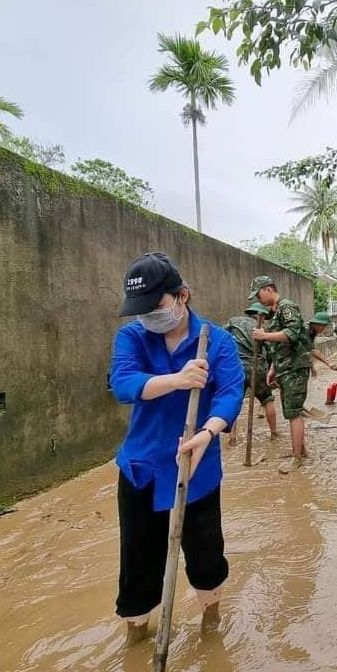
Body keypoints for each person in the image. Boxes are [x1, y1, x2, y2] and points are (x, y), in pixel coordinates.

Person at [108, 252, 245, 645]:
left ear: (182, 295)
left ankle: (211, 622)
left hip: (195, 464)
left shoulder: (215, 340)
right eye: (141, 309)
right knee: (137, 563)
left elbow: (231, 392)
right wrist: (178, 379)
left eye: (157, 305)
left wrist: (209, 431)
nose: (149, 315)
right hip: (142, 469)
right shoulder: (131, 337)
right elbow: (125, 385)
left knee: (205, 555)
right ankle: (136, 637)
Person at [249, 276, 326, 468]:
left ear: (268, 289)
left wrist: (264, 335)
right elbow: (279, 346)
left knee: (293, 413)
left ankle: (297, 458)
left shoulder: (286, 307)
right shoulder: (274, 312)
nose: (257, 299)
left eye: (258, 294)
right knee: (290, 411)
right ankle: (301, 449)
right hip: (284, 368)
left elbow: (291, 334)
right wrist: (273, 368)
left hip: (295, 369)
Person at [225, 302, 278, 445]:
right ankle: (274, 434)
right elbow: (271, 354)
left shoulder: (233, 322)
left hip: (237, 367)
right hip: (257, 367)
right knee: (267, 400)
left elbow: (223, 338)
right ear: (260, 317)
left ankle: (232, 437)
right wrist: (271, 372)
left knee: (235, 401)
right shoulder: (263, 330)